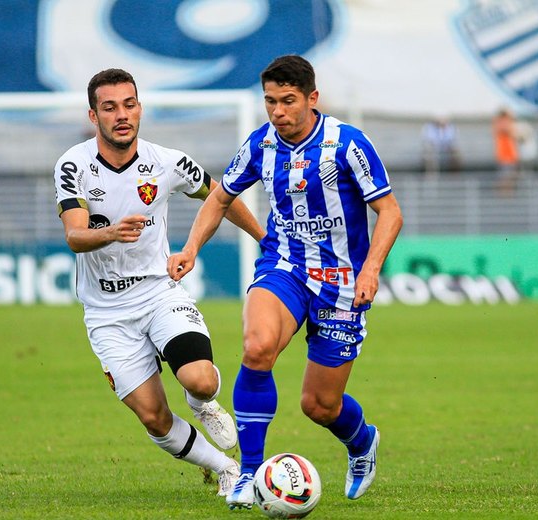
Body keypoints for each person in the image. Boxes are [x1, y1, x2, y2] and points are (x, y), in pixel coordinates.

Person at [168, 55, 404, 508]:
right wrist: (191, 249)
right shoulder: (261, 145)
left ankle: (362, 442)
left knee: (319, 406)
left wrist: (371, 269)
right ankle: (250, 473)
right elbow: (218, 199)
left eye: (288, 101)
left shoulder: (348, 144)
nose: (278, 111)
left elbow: (389, 212)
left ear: (312, 98)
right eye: (270, 102)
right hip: (285, 267)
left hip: (341, 283)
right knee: (257, 347)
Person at [53, 68, 266, 499]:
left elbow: (220, 196)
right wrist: (110, 232)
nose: (121, 115)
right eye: (109, 107)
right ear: (93, 116)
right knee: (153, 417)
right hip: (106, 312)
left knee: (201, 380)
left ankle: (202, 403)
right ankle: (225, 467)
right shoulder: (73, 165)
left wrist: (266, 240)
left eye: (129, 105)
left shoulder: (166, 161)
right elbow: (75, 235)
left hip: (157, 293)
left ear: (140, 108)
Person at [492, 108, 520, 197]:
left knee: (511, 176)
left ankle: (508, 193)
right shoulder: (499, 123)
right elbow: (506, 130)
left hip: (511, 155)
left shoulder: (509, 123)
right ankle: (503, 194)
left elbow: (515, 135)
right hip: (503, 155)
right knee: (504, 176)